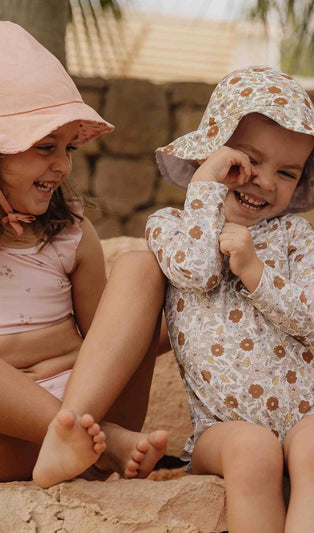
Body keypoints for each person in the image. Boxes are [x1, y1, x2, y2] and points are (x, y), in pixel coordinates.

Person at [146, 66, 314, 533]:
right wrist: (206, 185)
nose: (263, 180)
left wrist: (257, 273)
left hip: (308, 411)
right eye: (247, 160)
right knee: (253, 448)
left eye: (287, 172)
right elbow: (194, 273)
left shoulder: (294, 234)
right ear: (213, 153)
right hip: (221, 428)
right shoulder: (170, 226)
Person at [0, 21, 169, 489]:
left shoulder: (70, 234)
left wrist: (184, 315)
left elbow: (109, 340)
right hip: (18, 433)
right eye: (44, 147)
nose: (62, 165)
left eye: (68, 148)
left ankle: (78, 435)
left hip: (89, 403)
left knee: (140, 267)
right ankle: (95, 444)